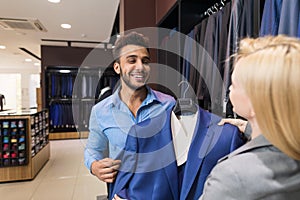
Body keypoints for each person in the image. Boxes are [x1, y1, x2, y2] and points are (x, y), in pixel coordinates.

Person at [199, 35, 300, 199]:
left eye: (234, 84)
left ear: (255, 102)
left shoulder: (231, 177)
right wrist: (251, 127)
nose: (229, 89)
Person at [84, 31, 176, 198]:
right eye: (132, 60)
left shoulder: (169, 105)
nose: (140, 66)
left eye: (145, 61)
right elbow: (93, 149)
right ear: (117, 67)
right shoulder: (100, 111)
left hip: (161, 193)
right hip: (121, 193)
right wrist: (94, 165)